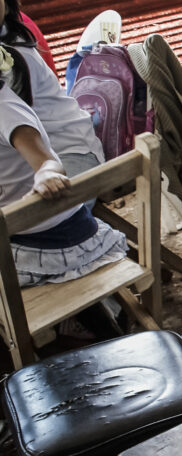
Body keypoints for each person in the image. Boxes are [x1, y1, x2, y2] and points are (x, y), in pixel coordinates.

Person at [1, 43, 127, 287]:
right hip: (33, 235)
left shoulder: (6, 110)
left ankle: (99, 305)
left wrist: (46, 176)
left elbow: (47, 161)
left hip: (49, 244)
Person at [3, 0, 107, 181]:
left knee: (56, 205)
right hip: (32, 160)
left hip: (69, 152)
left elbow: (24, 136)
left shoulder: (13, 59)